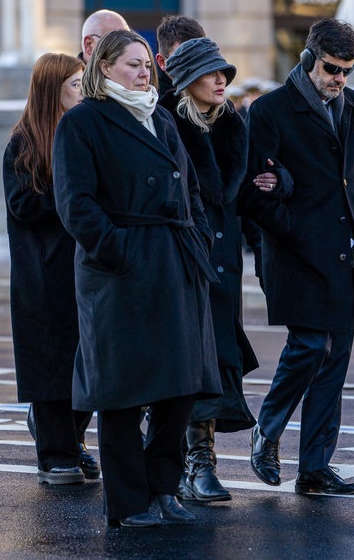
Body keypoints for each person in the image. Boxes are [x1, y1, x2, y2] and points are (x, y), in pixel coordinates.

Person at [53, 29, 221, 528]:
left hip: (175, 262)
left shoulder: (161, 117)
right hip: (121, 272)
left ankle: (163, 489)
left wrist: (199, 238)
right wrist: (119, 250)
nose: (144, 73)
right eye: (132, 64)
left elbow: (190, 187)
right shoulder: (83, 122)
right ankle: (127, 504)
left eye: (147, 64)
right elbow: (75, 204)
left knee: (180, 386)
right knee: (123, 392)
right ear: (104, 67)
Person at [241, 18, 354, 496]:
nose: (339, 79)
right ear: (307, 59)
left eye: (347, 70)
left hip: (349, 254)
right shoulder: (268, 110)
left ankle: (315, 467)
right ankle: (267, 429)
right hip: (296, 255)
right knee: (310, 346)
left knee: (336, 361)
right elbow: (254, 195)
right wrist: (297, 234)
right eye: (331, 68)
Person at [161, 35, 282, 503]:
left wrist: (278, 181)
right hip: (182, 257)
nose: (221, 80)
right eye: (212, 73)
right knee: (187, 359)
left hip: (225, 258)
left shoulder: (233, 123)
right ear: (187, 80)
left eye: (224, 73)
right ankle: (190, 463)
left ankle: (196, 462)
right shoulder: (164, 121)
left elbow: (250, 189)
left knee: (216, 357)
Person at [3, 53, 98, 485]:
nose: (82, 90)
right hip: (43, 273)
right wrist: (71, 200)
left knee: (89, 360)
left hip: (85, 267)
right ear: (51, 89)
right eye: (75, 84)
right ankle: (56, 453)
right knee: (52, 365)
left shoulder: (82, 133)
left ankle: (74, 441)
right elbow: (22, 204)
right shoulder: (24, 142)